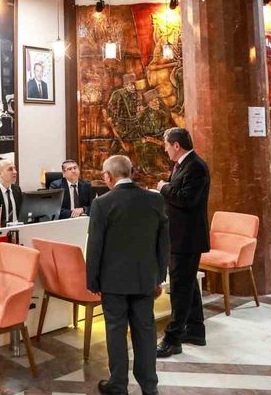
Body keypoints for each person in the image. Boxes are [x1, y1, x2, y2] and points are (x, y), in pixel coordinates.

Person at [86, 155, 168, 395]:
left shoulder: (102, 204)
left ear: (108, 176)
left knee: (116, 332)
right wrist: (159, 277)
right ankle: (149, 386)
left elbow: (95, 246)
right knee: (145, 332)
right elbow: (163, 242)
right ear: (130, 172)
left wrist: (92, 280)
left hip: (113, 282)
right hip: (144, 279)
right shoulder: (154, 199)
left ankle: (118, 384)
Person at [156, 127, 211, 357]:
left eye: (166, 145)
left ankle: (173, 340)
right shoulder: (183, 165)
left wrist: (163, 188)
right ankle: (195, 330)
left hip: (187, 238)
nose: (165, 150)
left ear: (176, 145)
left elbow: (187, 199)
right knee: (188, 285)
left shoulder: (196, 166)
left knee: (180, 289)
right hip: (179, 236)